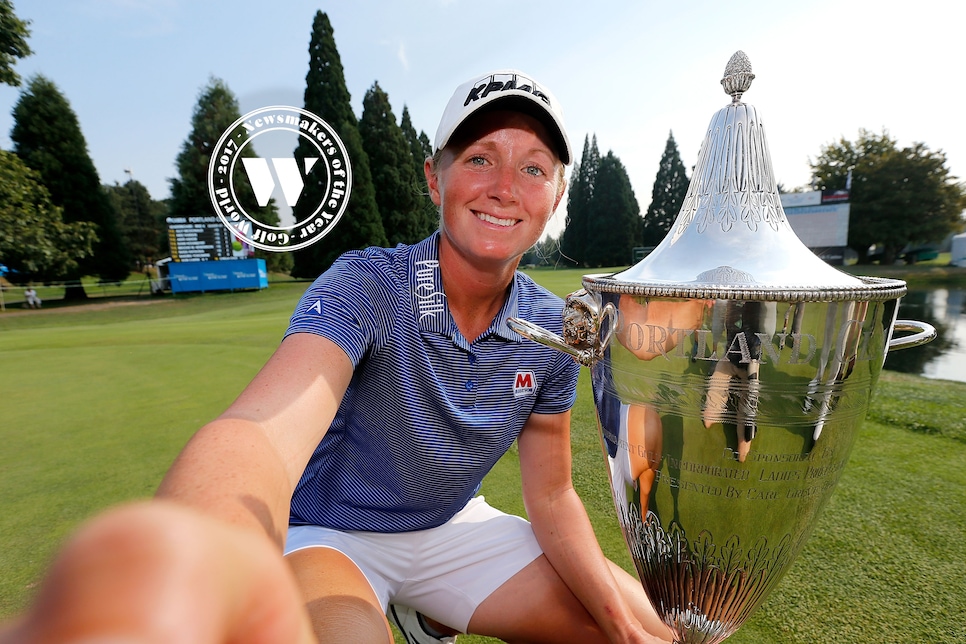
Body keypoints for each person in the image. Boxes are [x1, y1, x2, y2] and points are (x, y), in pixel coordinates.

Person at [0, 70, 672, 644]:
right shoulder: (367, 283)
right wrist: (188, 567)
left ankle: (427, 616)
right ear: (435, 180)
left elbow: (552, 494)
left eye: (533, 168)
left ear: (554, 199)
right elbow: (260, 435)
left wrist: (619, 622)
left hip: (453, 526)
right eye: (478, 157)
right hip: (329, 532)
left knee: (647, 630)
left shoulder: (554, 326)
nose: (504, 185)